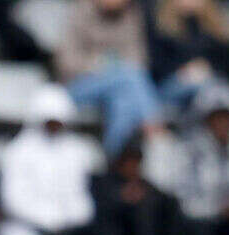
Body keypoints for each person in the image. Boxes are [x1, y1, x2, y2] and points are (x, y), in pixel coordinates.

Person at [1, 85, 102, 235]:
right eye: (49, 122)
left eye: (59, 122)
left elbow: (80, 194)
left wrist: (72, 217)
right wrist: (46, 219)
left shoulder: (76, 151)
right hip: (28, 224)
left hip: (68, 224)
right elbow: (12, 199)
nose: (54, 127)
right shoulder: (17, 151)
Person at [56, 0, 161, 156]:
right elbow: (66, 61)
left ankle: (113, 158)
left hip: (118, 84)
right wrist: (97, 65)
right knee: (130, 76)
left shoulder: (131, 16)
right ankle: (155, 126)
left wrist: (115, 68)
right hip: (79, 86)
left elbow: (139, 59)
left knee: (123, 103)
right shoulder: (80, 12)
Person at [89, 137, 197, 235]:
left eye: (136, 162)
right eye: (128, 161)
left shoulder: (143, 184)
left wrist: (144, 197)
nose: (132, 166)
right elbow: (100, 206)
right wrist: (122, 198)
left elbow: (166, 200)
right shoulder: (103, 182)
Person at [175, 81, 229, 235]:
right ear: (205, 119)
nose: (222, 123)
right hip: (205, 221)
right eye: (216, 117)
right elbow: (184, 199)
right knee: (194, 228)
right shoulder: (190, 151)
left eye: (227, 116)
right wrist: (217, 208)